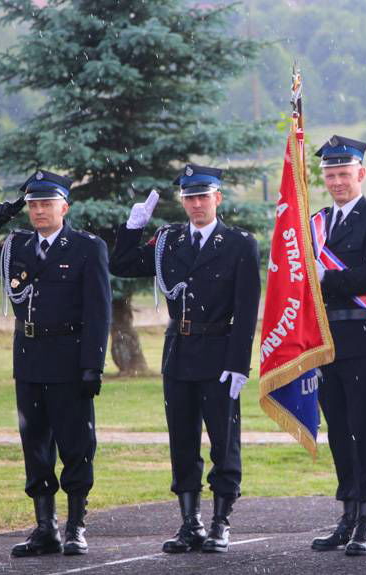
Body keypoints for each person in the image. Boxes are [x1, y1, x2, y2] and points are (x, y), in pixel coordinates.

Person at [0, 170, 111, 557]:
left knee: (76, 445)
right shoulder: (17, 247)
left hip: (69, 358)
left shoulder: (86, 247)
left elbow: (99, 311)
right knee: (35, 445)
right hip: (29, 358)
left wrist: (92, 364)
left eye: (47, 203)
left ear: (64, 206)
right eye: (33, 205)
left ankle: (76, 525)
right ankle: (46, 528)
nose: (40, 211)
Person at [109, 165, 260, 554]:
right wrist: (132, 227)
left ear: (217, 199)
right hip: (179, 350)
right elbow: (121, 265)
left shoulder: (239, 243)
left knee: (224, 442)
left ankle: (220, 521)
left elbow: (246, 310)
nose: (196, 204)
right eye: (189, 198)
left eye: (203, 197)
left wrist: (238, 362)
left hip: (219, 350)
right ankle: (190, 522)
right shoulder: (168, 240)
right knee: (182, 440)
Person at [308, 135, 366, 556]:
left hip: (365, 336)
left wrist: (328, 281)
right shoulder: (315, 224)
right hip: (327, 342)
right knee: (340, 431)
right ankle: (347, 512)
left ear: (362, 174)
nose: (338, 181)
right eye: (331, 174)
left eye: (345, 173)